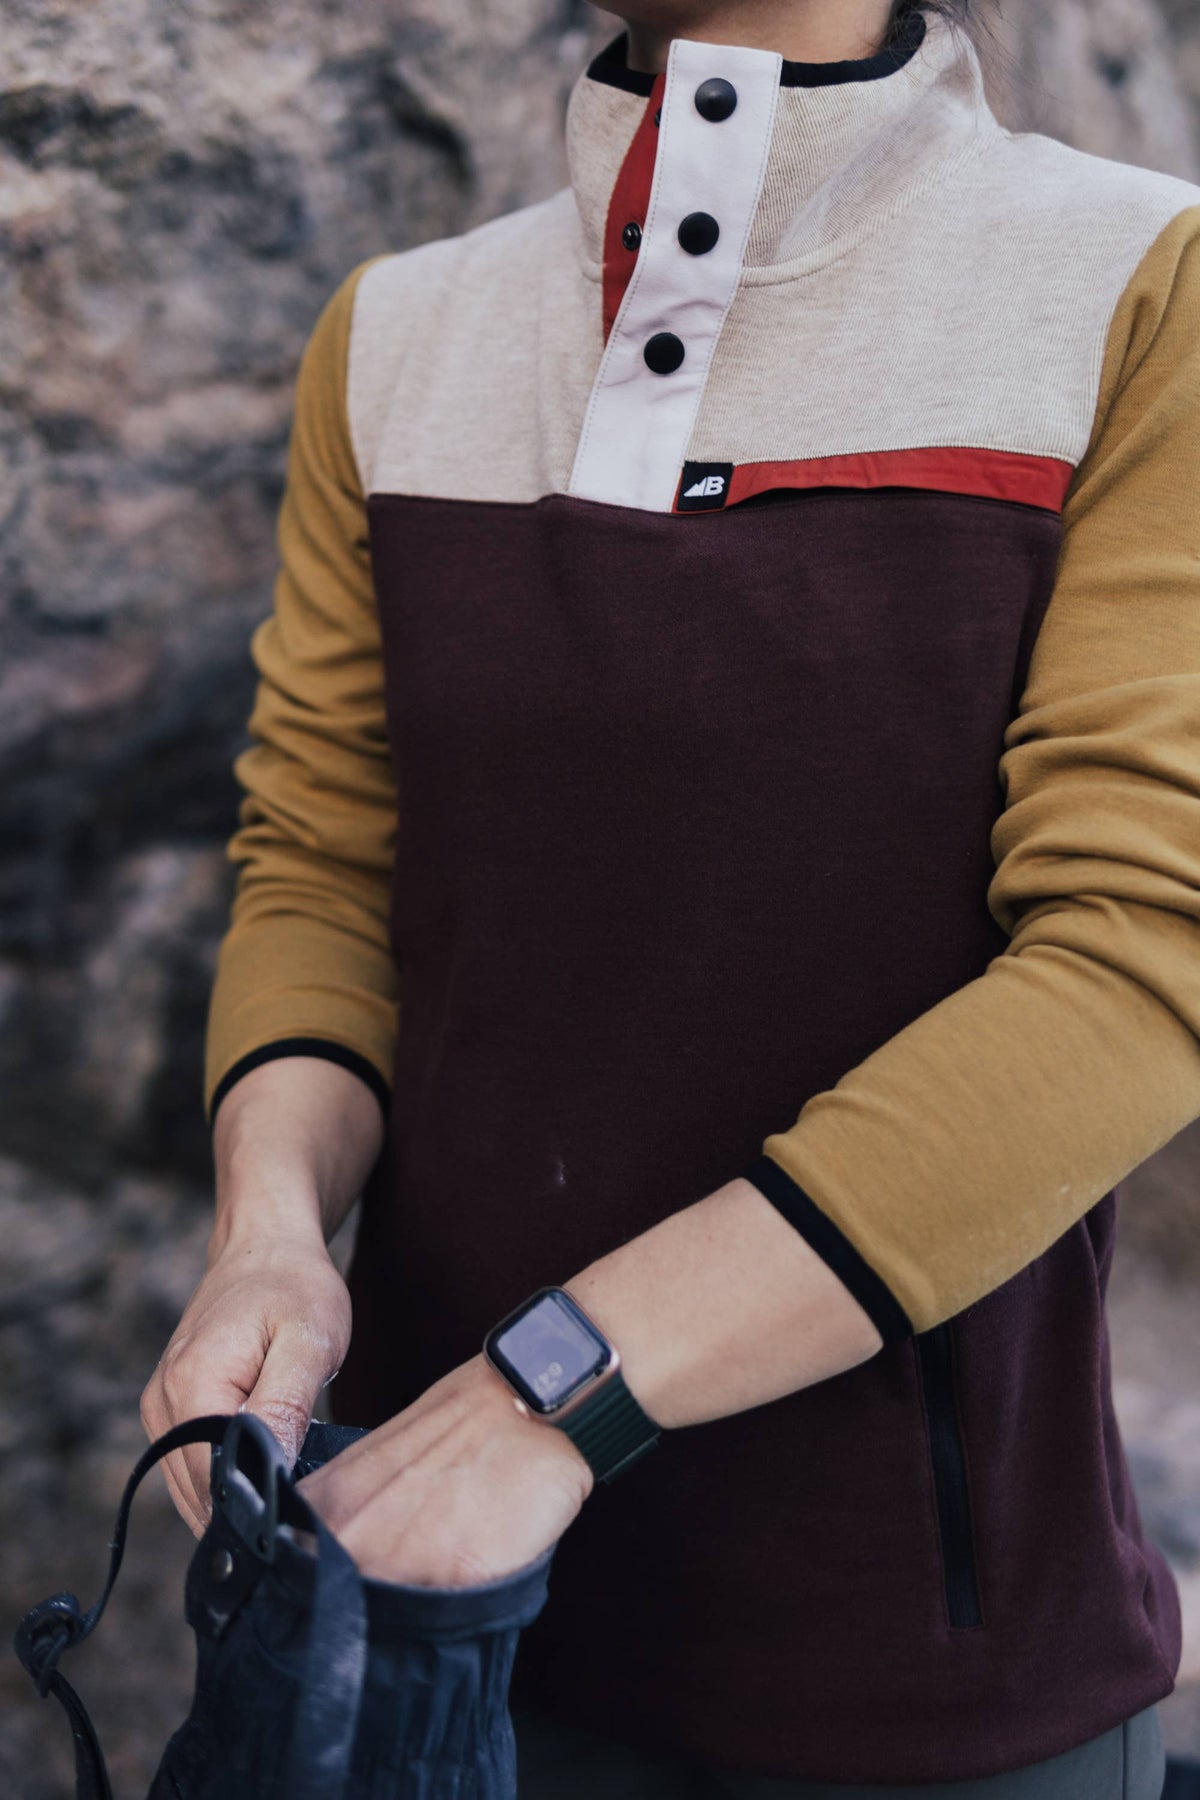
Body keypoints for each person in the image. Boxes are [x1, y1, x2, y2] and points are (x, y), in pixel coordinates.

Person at [140, 0, 1200, 1792]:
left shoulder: (1134, 284)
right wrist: (266, 1236)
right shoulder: (398, 331)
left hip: (920, 1687)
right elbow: (329, 862)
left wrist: (556, 1390)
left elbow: (1138, 960)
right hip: (406, 1611)